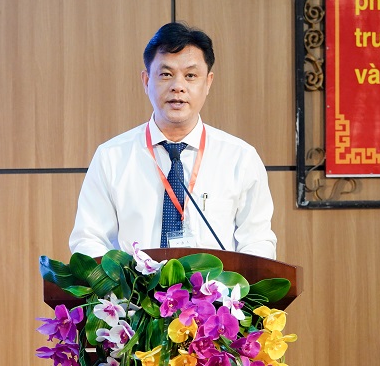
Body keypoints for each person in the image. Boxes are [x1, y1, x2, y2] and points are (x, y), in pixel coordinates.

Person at [68, 22, 277, 259]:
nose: (178, 87)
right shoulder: (112, 157)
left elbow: (258, 240)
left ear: (208, 82)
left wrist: (232, 282)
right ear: (146, 81)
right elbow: (89, 239)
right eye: (166, 74)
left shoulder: (240, 158)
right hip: (134, 284)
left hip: (214, 284)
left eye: (190, 76)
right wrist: (122, 281)